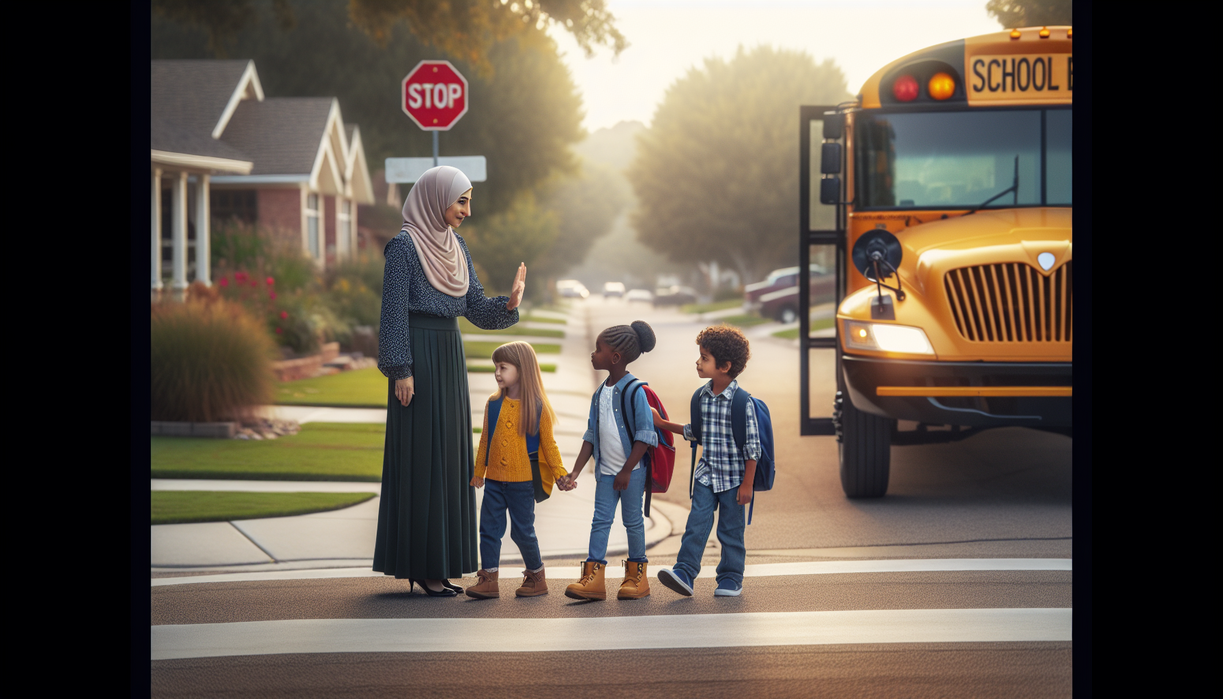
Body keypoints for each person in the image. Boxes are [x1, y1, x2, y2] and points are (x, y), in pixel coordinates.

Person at [374, 165, 527, 597]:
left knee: (449, 457)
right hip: (418, 359)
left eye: (469, 200)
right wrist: (400, 368)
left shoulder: (456, 246)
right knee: (423, 457)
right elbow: (392, 313)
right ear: (434, 197)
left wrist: (509, 304)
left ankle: (443, 562)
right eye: (461, 200)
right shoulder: (404, 247)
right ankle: (423, 566)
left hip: (449, 355)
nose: (467, 210)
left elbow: (475, 307)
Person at [653, 325, 760, 598]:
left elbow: (753, 448)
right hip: (706, 475)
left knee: (730, 531)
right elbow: (696, 433)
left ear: (724, 366)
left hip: (734, 480)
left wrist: (748, 484)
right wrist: (663, 424)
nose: (698, 362)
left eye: (704, 358)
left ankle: (731, 578)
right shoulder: (701, 397)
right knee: (696, 525)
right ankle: (685, 573)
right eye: (700, 356)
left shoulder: (742, 402)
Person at [559, 321, 658, 601]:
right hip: (605, 473)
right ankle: (593, 580)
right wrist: (575, 471)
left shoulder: (635, 391)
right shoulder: (599, 393)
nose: (593, 354)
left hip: (632, 473)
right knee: (600, 522)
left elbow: (645, 435)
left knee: (633, 522)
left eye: (598, 349)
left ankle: (637, 577)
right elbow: (591, 436)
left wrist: (627, 470)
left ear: (614, 357)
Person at [465, 342, 570, 599]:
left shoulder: (536, 407)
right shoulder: (493, 403)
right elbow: (485, 440)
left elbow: (549, 444)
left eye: (503, 367)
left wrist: (560, 474)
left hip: (522, 483)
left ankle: (536, 576)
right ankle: (488, 579)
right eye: (496, 367)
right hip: (494, 482)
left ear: (522, 370)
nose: (497, 373)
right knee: (489, 529)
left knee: (522, 531)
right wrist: (479, 471)